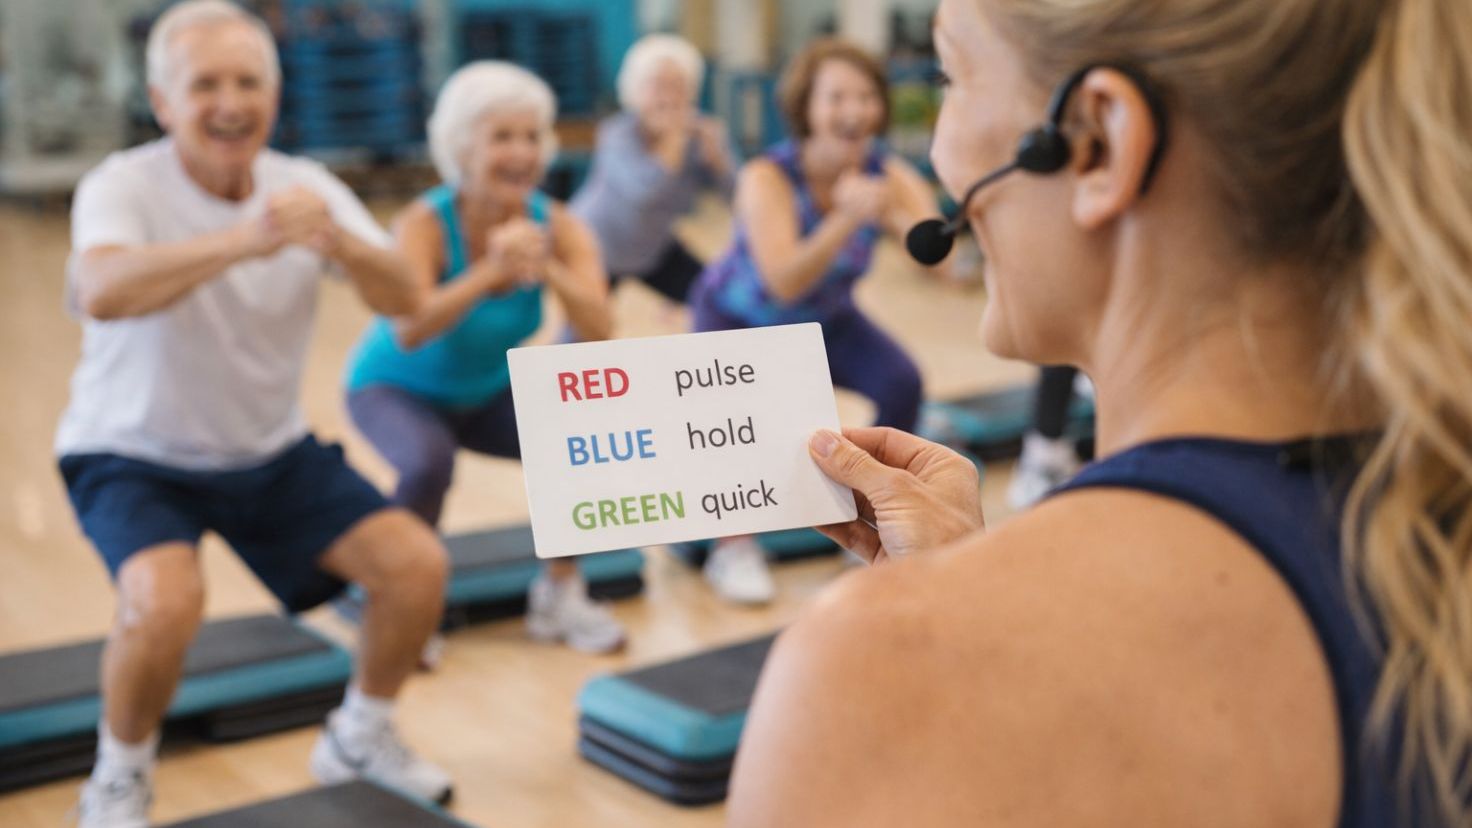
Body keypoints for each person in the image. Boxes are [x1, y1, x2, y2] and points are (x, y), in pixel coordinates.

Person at [730, 0, 1471, 826]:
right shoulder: (1434, 529)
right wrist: (975, 597)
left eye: (951, 76)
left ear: (1098, 141)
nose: (936, 149)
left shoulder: (866, 668)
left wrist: (955, 632)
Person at [57, 3, 454, 825]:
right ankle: (118, 777)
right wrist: (245, 239)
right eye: (205, 85)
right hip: (133, 453)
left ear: (275, 97)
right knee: (164, 604)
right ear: (164, 103)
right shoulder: (123, 186)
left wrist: (342, 245)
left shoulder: (305, 189)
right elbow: (103, 290)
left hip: (267, 452)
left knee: (416, 567)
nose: (230, 103)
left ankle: (358, 733)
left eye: (249, 82)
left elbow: (406, 299)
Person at [343, 62, 625, 654]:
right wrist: (489, 272)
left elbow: (600, 326)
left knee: (572, 440)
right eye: (502, 137)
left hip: (485, 390)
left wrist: (545, 266)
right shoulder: (425, 222)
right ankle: (400, 605)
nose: (522, 152)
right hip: (393, 387)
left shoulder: (559, 224)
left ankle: (559, 595)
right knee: (426, 462)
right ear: (462, 149)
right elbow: (411, 328)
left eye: (531, 137)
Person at [686, 38, 954, 605]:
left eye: (865, 97)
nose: (854, 112)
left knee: (900, 382)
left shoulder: (888, 173)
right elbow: (783, 277)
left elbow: (940, 258)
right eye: (836, 98)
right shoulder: (768, 176)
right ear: (807, 108)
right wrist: (845, 218)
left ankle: (871, 529)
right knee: (737, 427)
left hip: (825, 321)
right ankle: (730, 547)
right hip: (740, 320)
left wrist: (901, 218)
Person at [570, 33, 735, 306]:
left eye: (678, 86)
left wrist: (719, 160)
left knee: (714, 301)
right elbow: (645, 194)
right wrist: (674, 139)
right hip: (597, 247)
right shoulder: (616, 134)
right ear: (634, 90)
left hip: (652, 250)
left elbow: (740, 198)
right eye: (657, 85)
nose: (668, 97)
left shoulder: (700, 138)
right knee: (580, 333)